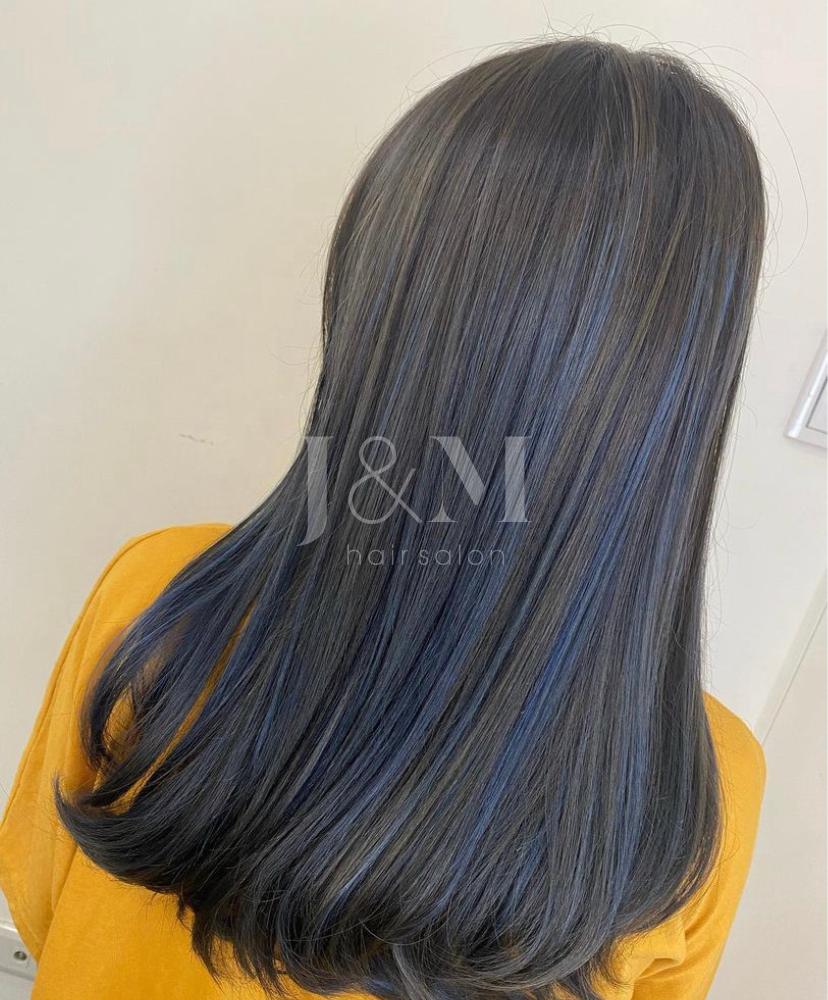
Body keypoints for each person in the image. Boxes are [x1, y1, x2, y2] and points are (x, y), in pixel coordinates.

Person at [0, 38, 766, 1000]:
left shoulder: (160, 599)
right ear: (680, 384)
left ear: (380, 303)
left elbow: (40, 900)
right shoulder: (697, 793)